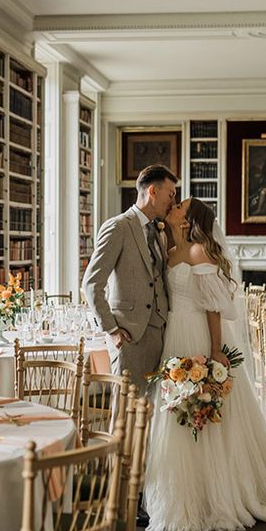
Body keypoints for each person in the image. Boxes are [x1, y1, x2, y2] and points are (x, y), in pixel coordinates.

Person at [143, 197, 266, 531]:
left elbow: (212, 307)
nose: (174, 206)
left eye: (180, 206)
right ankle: (183, 493)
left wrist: (214, 351)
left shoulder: (197, 252)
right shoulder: (169, 249)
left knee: (204, 412)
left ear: (187, 220)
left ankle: (213, 495)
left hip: (196, 335)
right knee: (176, 410)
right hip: (173, 337)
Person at [82, 164, 177, 393]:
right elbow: (91, 283)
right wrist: (112, 330)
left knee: (149, 412)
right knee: (125, 410)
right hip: (128, 336)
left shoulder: (160, 232)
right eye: (171, 194)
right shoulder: (118, 227)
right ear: (153, 191)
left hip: (159, 334)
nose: (173, 201)